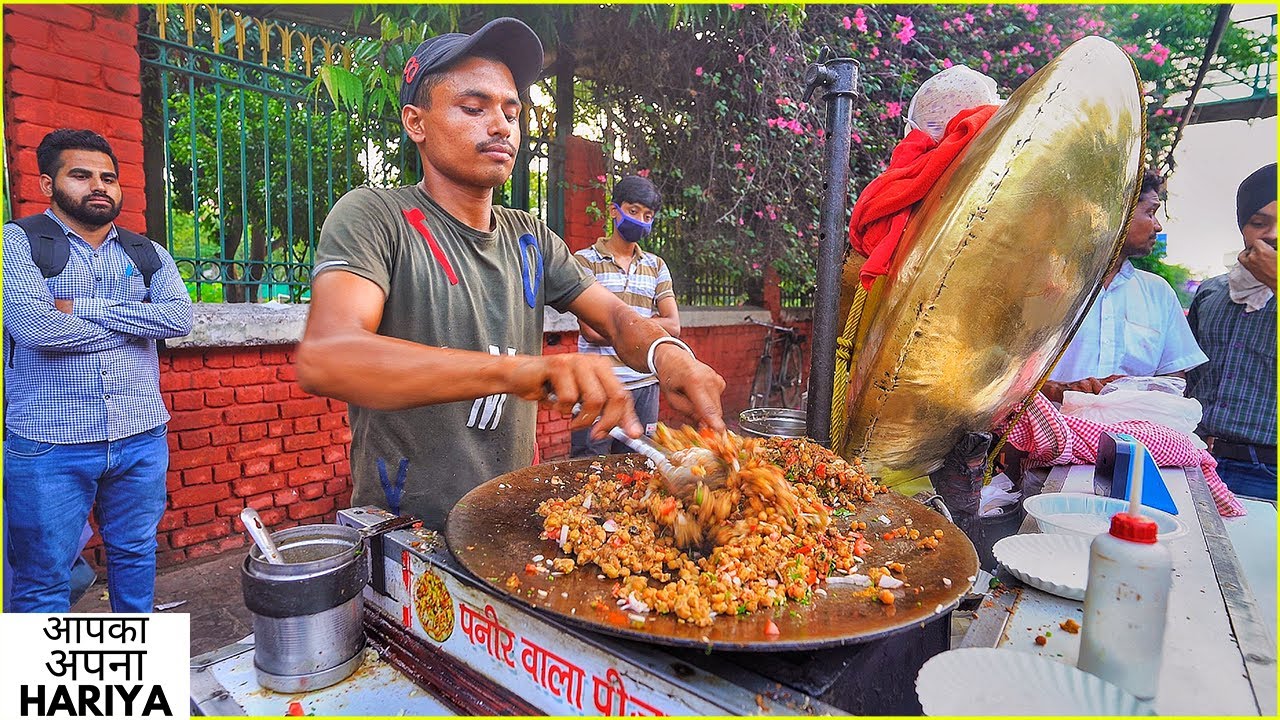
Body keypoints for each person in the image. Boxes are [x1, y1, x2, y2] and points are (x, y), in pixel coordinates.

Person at [297, 18, 726, 528]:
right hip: (407, 529)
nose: (501, 125)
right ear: (417, 123)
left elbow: (615, 319)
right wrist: (522, 371)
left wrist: (674, 361)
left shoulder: (530, 236)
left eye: (512, 111)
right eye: (474, 108)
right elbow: (329, 357)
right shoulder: (375, 216)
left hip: (510, 520)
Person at [3, 129, 193, 612]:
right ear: (48, 184)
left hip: (141, 436)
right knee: (44, 577)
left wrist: (78, 306)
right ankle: (45, 687)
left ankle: (130, 673)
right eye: (81, 175)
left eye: (108, 177)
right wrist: (133, 320)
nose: (99, 186)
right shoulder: (17, 242)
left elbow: (177, 319)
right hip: (50, 445)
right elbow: (38, 329)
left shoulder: (145, 252)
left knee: (135, 556)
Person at [1042, 170, 1207, 402]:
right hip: (1046, 434)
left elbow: (1173, 385)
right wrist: (1059, 391)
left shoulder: (1158, 292)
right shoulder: (1042, 286)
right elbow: (1002, 383)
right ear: (1117, 212)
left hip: (1131, 437)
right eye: (1150, 212)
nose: (1157, 226)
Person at [571, 175, 680, 457]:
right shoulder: (585, 261)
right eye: (633, 211)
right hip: (597, 384)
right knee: (588, 465)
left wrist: (618, 325)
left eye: (647, 215)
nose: (641, 221)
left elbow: (674, 325)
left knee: (638, 469)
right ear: (613, 210)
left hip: (645, 384)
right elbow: (590, 331)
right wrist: (646, 327)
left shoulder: (656, 266)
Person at [1186, 163, 1277, 501]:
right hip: (1196, 460)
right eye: (1258, 222)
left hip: (1268, 474)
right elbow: (1190, 376)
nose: (1272, 234)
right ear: (1243, 228)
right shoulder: (1211, 292)